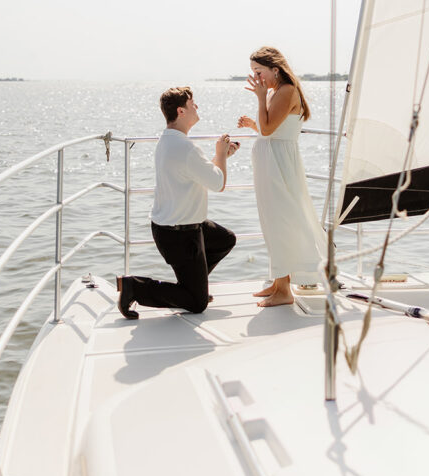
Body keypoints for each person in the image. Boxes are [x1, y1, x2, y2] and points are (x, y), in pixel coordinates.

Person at [116, 86, 238, 319]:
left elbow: (201, 174)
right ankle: (135, 287)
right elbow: (218, 184)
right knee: (196, 303)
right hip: (180, 235)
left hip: (177, 226)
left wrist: (220, 158)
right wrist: (221, 153)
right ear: (181, 111)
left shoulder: (169, 140)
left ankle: (193, 285)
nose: (197, 107)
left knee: (224, 240)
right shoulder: (186, 147)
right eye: (193, 104)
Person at [238, 46, 326, 307]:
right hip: (271, 161)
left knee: (281, 221)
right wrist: (254, 121)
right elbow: (271, 129)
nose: (256, 77)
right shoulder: (277, 91)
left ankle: (284, 291)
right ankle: (278, 283)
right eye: (253, 72)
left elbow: (267, 130)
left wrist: (260, 97)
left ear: (274, 69)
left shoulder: (286, 91)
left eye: (259, 71)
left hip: (278, 164)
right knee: (272, 220)